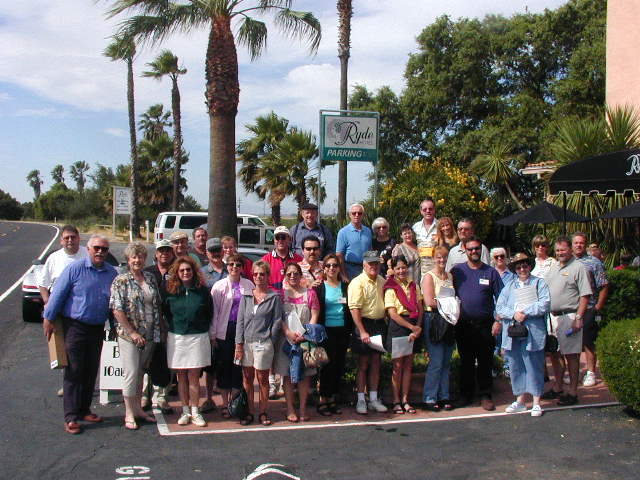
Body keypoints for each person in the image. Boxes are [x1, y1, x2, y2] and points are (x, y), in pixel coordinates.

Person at [42, 234, 118, 435]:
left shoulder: (111, 273)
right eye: (96, 248)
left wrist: (115, 326)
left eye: (104, 249)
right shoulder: (75, 269)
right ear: (89, 249)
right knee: (74, 371)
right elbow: (58, 295)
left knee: (90, 370)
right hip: (75, 327)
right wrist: (48, 318)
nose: (100, 252)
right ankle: (71, 417)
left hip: (97, 328)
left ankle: (84, 410)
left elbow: (114, 303)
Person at [110, 242, 162, 430]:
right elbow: (117, 309)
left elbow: (156, 303)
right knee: (131, 373)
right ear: (128, 259)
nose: (137, 260)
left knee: (141, 372)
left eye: (140, 256)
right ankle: (129, 412)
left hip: (150, 333)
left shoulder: (150, 278)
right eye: (134, 257)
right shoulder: (121, 280)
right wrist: (132, 332)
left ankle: (138, 409)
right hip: (129, 336)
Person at [451, 236, 504, 410]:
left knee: (485, 361)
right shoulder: (457, 271)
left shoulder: (491, 272)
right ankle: (466, 395)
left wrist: (498, 321)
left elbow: (502, 299)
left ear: (481, 250)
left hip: (485, 324)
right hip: (463, 324)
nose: (474, 251)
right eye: (470, 249)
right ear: (465, 251)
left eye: (477, 248)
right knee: (466, 361)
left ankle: (485, 395)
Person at [496, 253, 551, 417]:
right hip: (513, 332)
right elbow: (500, 307)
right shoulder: (509, 286)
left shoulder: (539, 283)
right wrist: (514, 314)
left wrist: (525, 312)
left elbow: (544, 304)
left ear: (530, 266)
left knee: (533, 365)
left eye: (525, 266)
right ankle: (520, 401)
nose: (522, 269)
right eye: (518, 267)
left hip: (533, 332)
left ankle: (536, 402)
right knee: (515, 365)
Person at [37, 224, 88, 397]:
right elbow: (43, 284)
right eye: (66, 238)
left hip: (82, 309)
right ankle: (68, 385)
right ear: (61, 240)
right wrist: (48, 303)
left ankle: (83, 384)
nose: (70, 241)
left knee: (82, 349)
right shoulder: (54, 258)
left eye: (73, 237)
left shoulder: (87, 254)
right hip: (59, 310)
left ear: (79, 238)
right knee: (64, 350)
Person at [542, 236, 592, 406]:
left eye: (563, 250)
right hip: (553, 318)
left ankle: (572, 392)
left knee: (571, 356)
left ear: (570, 249)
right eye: (557, 250)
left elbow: (585, 295)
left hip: (570, 317)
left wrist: (578, 318)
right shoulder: (554, 267)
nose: (560, 253)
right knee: (554, 354)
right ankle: (558, 387)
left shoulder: (578, 267)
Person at [163, 256, 213, 427]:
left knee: (194, 377)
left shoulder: (203, 291)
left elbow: (209, 313)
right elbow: (166, 312)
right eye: (182, 270)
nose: (185, 273)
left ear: (194, 271)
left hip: (197, 337)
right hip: (177, 337)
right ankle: (185, 411)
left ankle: (195, 411)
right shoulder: (170, 291)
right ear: (177, 273)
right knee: (181, 376)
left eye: (188, 270)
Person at [235, 261, 284, 426]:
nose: (258, 277)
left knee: (262, 378)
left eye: (262, 274)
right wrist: (238, 344)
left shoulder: (274, 297)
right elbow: (240, 322)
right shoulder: (246, 296)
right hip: (246, 343)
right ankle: (249, 410)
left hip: (263, 343)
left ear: (268, 276)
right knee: (247, 378)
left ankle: (263, 411)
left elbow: (277, 321)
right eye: (255, 274)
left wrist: (270, 339)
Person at [275, 263, 321, 423]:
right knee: (287, 375)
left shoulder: (311, 293)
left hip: (306, 340)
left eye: (296, 273)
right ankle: (289, 408)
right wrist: (287, 332)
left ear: (301, 275)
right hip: (286, 341)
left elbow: (315, 314)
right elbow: (279, 317)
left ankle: (302, 409)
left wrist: (306, 333)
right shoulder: (280, 295)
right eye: (289, 274)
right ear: (285, 276)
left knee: (305, 376)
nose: (292, 276)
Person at [210, 254, 254, 418]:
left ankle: (234, 402)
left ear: (242, 268)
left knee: (237, 367)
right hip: (224, 331)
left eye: (238, 265)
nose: (234, 267)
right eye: (231, 264)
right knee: (224, 367)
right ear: (226, 266)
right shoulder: (219, 286)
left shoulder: (249, 285)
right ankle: (224, 403)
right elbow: (214, 312)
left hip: (242, 331)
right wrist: (213, 335)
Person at [348, 250, 388, 414]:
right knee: (363, 364)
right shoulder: (357, 282)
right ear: (364, 265)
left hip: (379, 325)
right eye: (371, 263)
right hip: (363, 325)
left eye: (376, 263)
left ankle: (373, 399)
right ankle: (361, 399)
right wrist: (362, 331)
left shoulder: (382, 281)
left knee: (376, 362)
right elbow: (354, 309)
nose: (374, 266)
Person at [384, 255, 423, 414]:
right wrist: (412, 327)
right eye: (398, 268)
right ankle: (396, 400)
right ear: (393, 270)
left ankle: (406, 400)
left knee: (408, 365)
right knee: (397, 366)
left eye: (404, 267)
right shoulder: (390, 287)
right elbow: (392, 314)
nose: (401, 271)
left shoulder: (414, 285)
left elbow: (420, 308)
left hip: (413, 324)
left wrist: (418, 327)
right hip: (399, 326)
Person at [315, 254, 352, 416]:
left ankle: (332, 399)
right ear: (324, 268)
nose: (332, 268)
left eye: (335, 265)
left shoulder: (346, 286)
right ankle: (323, 400)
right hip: (326, 332)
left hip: (342, 331)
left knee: (338, 366)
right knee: (326, 367)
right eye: (328, 265)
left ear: (339, 268)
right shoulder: (319, 287)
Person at [422, 245, 456, 412]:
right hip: (434, 319)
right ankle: (430, 397)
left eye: (444, 257)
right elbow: (429, 301)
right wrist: (450, 304)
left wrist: (452, 305)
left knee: (446, 361)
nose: (442, 260)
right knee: (436, 361)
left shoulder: (449, 276)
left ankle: (444, 395)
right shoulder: (429, 276)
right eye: (438, 257)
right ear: (433, 258)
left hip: (448, 319)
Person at [142, 239, 175, 413]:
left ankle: (163, 396)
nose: (164, 254)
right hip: (149, 321)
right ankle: (145, 395)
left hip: (170, 322)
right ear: (156, 253)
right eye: (161, 250)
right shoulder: (147, 272)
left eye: (168, 250)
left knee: (167, 359)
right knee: (147, 357)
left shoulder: (177, 271)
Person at [572, 232, 609, 387]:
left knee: (588, 342)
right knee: (573, 343)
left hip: (589, 308)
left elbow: (604, 285)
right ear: (572, 245)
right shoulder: (567, 262)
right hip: (571, 309)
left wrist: (597, 307)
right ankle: (574, 374)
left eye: (581, 242)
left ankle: (591, 372)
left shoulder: (594, 262)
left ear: (585, 245)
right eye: (576, 242)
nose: (578, 245)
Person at [261, 225, 303, 297]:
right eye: (277, 238)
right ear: (274, 240)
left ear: (289, 239)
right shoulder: (265, 260)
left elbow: (303, 280)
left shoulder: (299, 259)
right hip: (273, 297)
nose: (280, 241)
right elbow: (262, 281)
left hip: (294, 298)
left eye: (283, 237)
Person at [336, 203, 373, 280]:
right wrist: (343, 274)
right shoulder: (343, 232)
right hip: (349, 270)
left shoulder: (368, 231)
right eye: (354, 213)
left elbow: (370, 251)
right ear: (349, 215)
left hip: (365, 270)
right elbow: (339, 255)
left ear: (363, 215)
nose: (357, 215)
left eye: (359, 213)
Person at [412, 197, 439, 280]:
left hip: (436, 266)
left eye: (430, 209)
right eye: (425, 209)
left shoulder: (441, 226)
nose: (428, 211)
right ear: (421, 211)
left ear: (434, 210)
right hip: (419, 267)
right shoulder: (415, 227)